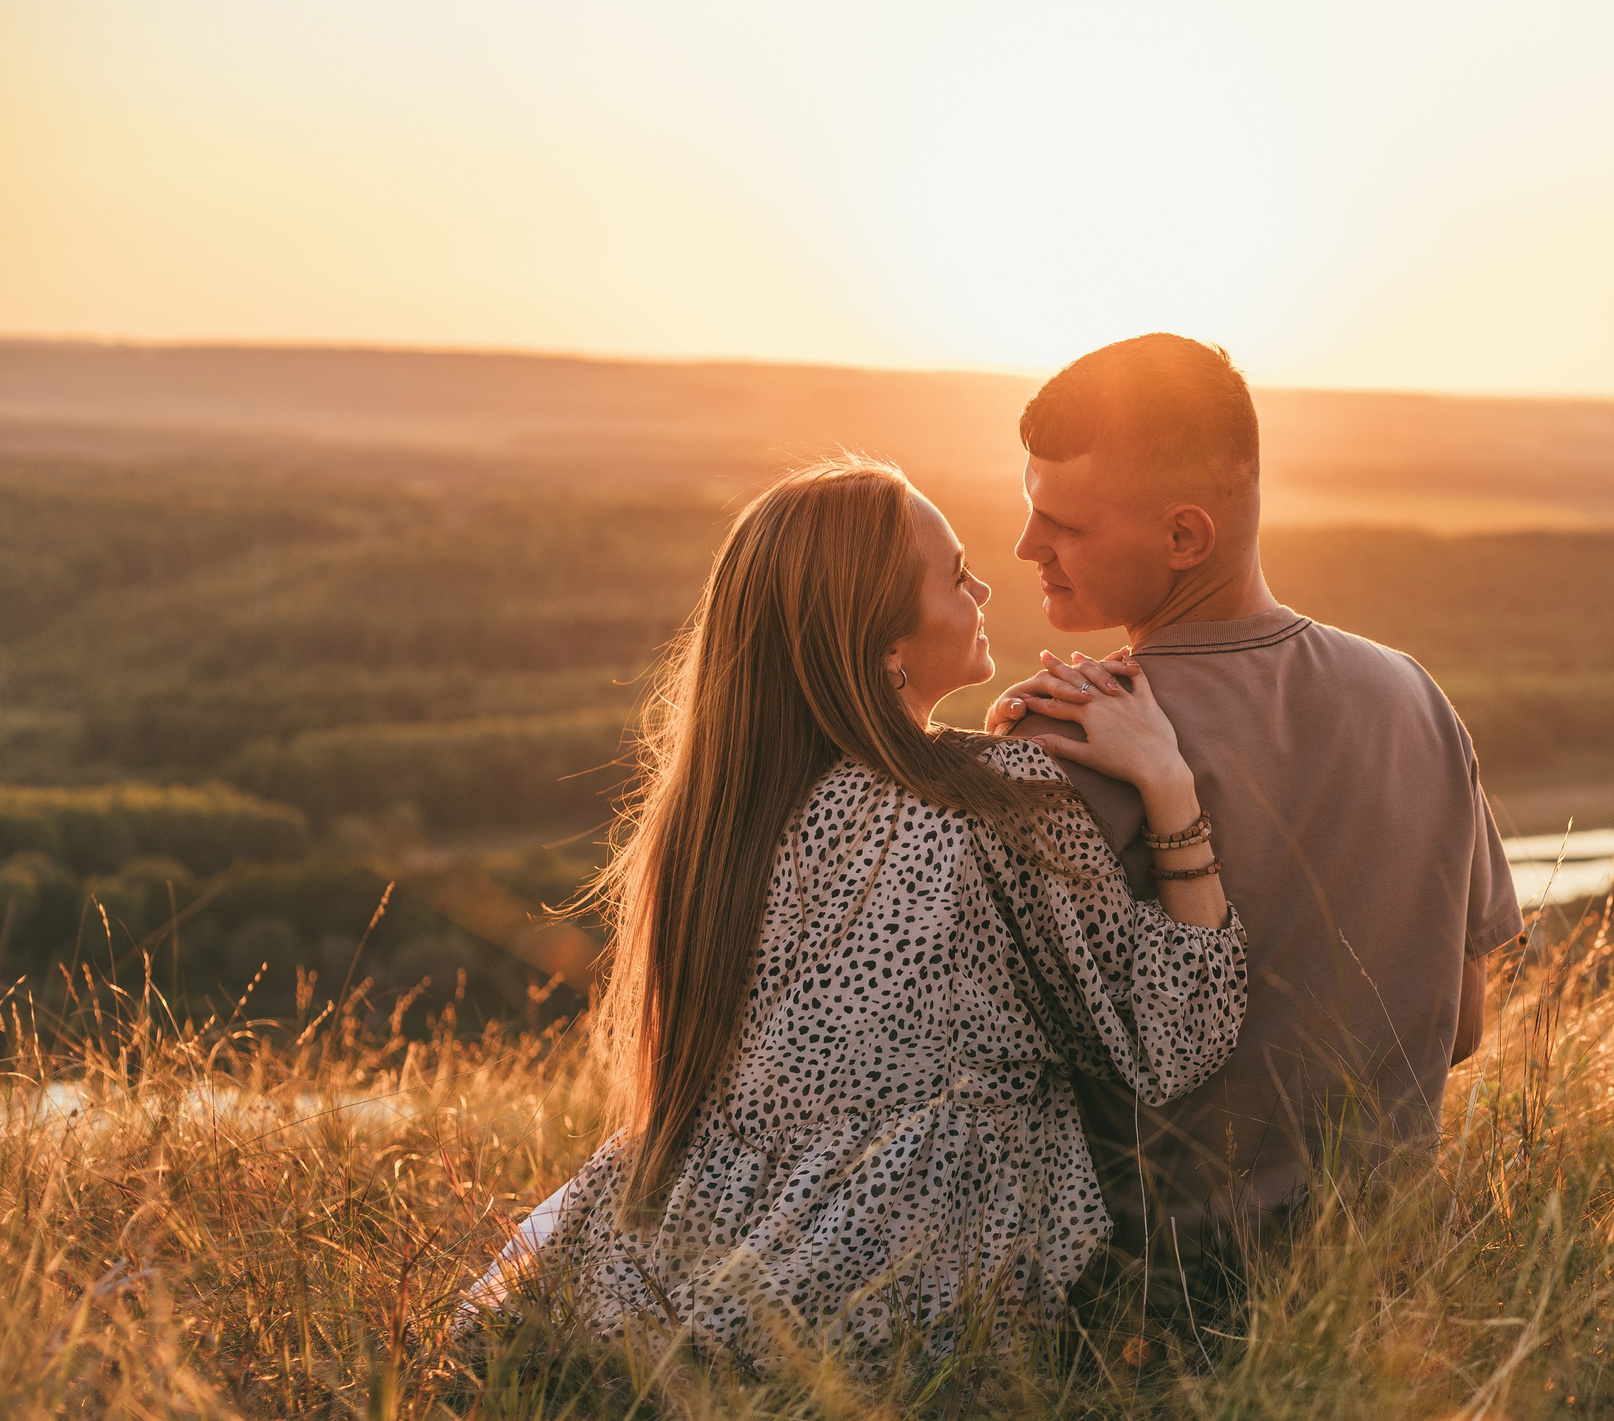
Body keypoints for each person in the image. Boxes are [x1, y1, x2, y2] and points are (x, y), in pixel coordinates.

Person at [467, 455, 1248, 1372]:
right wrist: (1166, 784)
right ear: (885, 647)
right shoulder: (990, 805)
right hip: (901, 1280)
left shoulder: (719, 820)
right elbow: (1177, 1038)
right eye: (956, 575)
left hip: (676, 1256)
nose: (986, 583)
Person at [988, 335, 1522, 1296]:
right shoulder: (1416, 699)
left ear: (1185, 536)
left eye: (1061, 522)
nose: (1028, 547)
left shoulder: (1064, 735)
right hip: (1386, 1282)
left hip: (1137, 1306)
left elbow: (989, 1069)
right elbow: (1463, 1024)